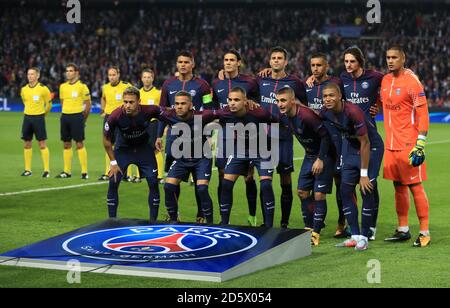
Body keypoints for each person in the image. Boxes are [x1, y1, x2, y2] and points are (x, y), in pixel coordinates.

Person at [321, 83, 384, 251]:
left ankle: (365, 236)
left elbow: (365, 142)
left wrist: (363, 174)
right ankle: (354, 236)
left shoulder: (353, 112)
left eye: (331, 95)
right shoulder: (326, 112)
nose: (328, 99)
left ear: (340, 96)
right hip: (351, 149)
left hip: (371, 148)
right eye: (325, 96)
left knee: (366, 189)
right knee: (345, 190)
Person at [381, 45, 431, 247]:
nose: (390, 60)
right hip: (391, 145)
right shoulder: (384, 81)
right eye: (388, 57)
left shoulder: (412, 83)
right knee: (398, 186)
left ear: (403, 59)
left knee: (415, 186)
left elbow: (423, 114)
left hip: (409, 144)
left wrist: (420, 143)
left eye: (394, 57)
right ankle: (403, 229)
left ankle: (425, 232)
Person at [160, 51, 213, 223]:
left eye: (186, 62)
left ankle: (201, 214)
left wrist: (209, 133)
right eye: (180, 62)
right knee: (173, 179)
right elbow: (162, 111)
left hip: (198, 138)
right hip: (175, 138)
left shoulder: (202, 85)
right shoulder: (168, 85)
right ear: (177, 64)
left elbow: (209, 109)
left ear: (193, 64)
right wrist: (160, 135)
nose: (183, 65)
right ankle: (174, 214)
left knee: (200, 183)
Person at [276, 86, 334, 246]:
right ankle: (309, 227)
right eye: (278, 101)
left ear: (292, 100)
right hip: (309, 156)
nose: (280, 104)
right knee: (302, 192)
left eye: (283, 100)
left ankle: (315, 232)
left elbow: (325, 137)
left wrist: (320, 159)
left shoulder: (306, 116)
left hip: (324, 155)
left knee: (319, 195)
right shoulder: (285, 116)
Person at [257, 46, 307, 228]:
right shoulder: (261, 80)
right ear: (269, 61)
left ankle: (284, 223)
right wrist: (224, 72)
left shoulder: (295, 83)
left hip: (284, 137)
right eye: (273, 58)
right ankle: (266, 223)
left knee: (286, 182)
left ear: (286, 62)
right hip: (264, 140)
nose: (276, 60)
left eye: (280, 58)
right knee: (265, 182)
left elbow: (304, 106)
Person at [219, 87, 279, 227]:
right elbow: (209, 116)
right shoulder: (225, 113)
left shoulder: (259, 112)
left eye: (236, 100)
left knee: (266, 184)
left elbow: (275, 123)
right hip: (240, 150)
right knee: (226, 184)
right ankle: (224, 222)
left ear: (245, 101)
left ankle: (268, 225)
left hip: (262, 150)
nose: (232, 103)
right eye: (230, 100)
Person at [156, 91, 219, 224]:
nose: (179, 106)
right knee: (168, 186)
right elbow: (152, 111)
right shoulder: (171, 115)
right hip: (182, 158)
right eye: (177, 104)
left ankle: (209, 222)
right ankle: (173, 220)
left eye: (183, 103)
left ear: (191, 105)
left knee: (201, 188)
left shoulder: (202, 116)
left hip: (202, 158)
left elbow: (223, 113)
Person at [212, 50, 260, 226]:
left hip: (245, 134)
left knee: (248, 176)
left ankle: (252, 216)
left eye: (232, 60)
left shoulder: (249, 82)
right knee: (223, 176)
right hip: (224, 133)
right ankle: (223, 218)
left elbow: (257, 102)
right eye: (226, 60)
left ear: (239, 63)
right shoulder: (217, 82)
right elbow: (212, 104)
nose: (228, 62)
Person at [303, 52, 347, 238]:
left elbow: (345, 105)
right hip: (318, 142)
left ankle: (341, 221)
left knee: (340, 185)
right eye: (313, 65)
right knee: (312, 187)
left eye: (319, 65)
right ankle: (315, 222)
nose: (315, 69)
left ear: (326, 66)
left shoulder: (336, 84)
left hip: (337, 140)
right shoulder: (307, 87)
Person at [104, 86, 162, 222]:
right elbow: (106, 140)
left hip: (144, 150)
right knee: (113, 180)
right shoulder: (115, 115)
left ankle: (153, 221)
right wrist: (113, 163)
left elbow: (166, 115)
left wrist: (159, 135)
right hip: (123, 150)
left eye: (131, 102)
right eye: (125, 102)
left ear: (139, 101)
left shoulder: (149, 110)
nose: (127, 105)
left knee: (153, 182)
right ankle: (112, 221)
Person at [56, 63, 91, 179]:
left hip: (77, 117)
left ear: (76, 73)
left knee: (79, 143)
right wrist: (65, 111)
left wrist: (83, 119)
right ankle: (67, 171)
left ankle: (84, 172)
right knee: (66, 144)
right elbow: (62, 102)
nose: (68, 73)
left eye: (71, 71)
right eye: (67, 71)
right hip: (65, 116)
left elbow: (88, 104)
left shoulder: (82, 86)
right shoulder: (62, 87)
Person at [98, 66, 131, 182]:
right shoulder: (105, 87)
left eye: (114, 75)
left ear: (118, 74)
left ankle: (126, 173)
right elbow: (103, 98)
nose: (111, 77)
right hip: (108, 118)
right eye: (110, 75)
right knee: (108, 145)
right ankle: (108, 171)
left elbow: (134, 99)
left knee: (122, 145)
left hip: (121, 118)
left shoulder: (126, 86)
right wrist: (103, 109)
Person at [20, 67, 52, 178]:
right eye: (28, 74)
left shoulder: (43, 89)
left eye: (32, 74)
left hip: (39, 118)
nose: (30, 76)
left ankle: (46, 170)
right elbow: (24, 101)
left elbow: (49, 104)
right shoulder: (24, 89)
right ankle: (27, 170)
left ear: (37, 76)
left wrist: (43, 114)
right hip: (27, 118)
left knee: (42, 144)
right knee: (27, 143)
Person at [138, 68, 164, 184]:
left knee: (155, 150)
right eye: (145, 77)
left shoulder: (158, 93)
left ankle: (159, 175)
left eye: (149, 77)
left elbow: (162, 110)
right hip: (141, 124)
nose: (146, 79)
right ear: (141, 78)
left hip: (154, 123)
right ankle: (140, 175)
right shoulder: (138, 93)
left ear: (152, 79)